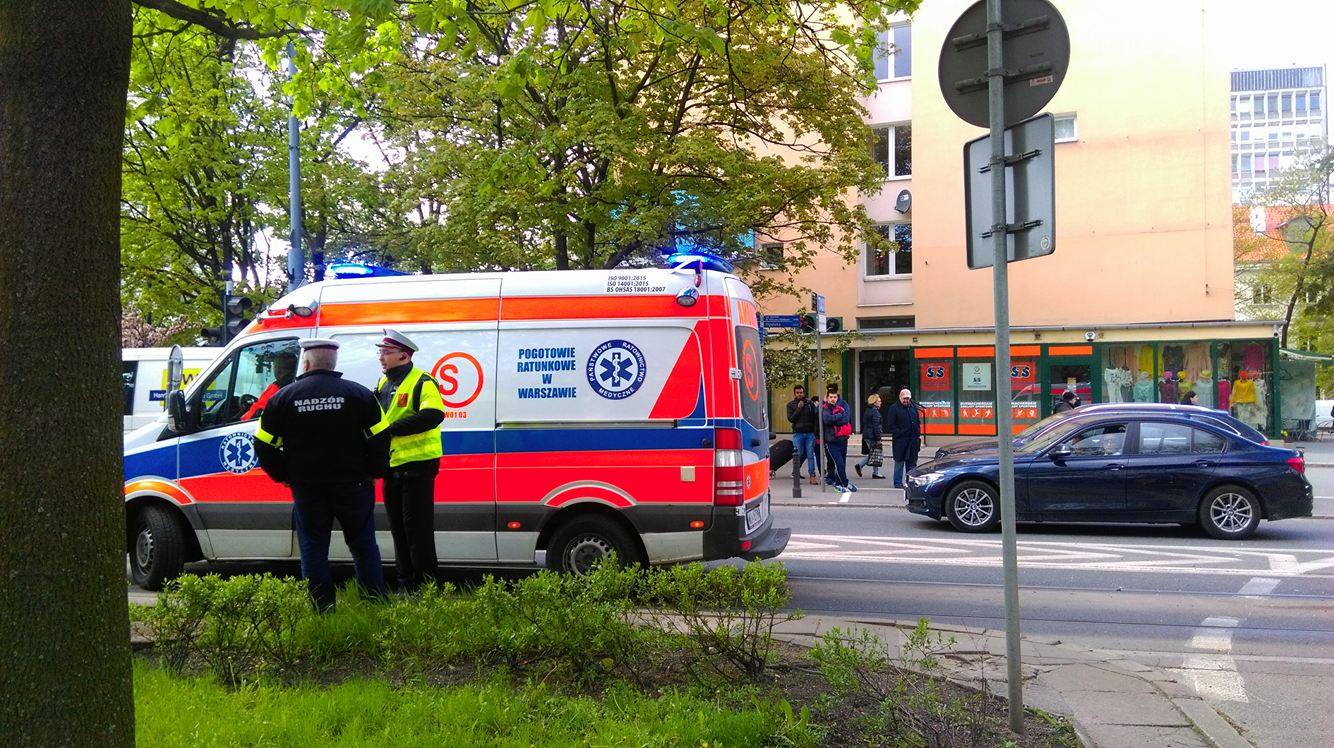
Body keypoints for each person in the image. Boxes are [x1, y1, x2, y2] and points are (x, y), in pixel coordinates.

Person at [254, 338, 389, 612]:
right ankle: (374, 606)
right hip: (354, 484)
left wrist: (283, 474)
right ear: (333, 363)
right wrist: (374, 471)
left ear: (305, 363)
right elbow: (381, 437)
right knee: (363, 546)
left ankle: (322, 609)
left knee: (313, 549)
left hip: (307, 487)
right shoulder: (359, 394)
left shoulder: (282, 398)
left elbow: (263, 444)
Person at [374, 328, 445, 591]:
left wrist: (391, 430)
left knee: (418, 532)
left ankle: (426, 588)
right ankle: (406, 586)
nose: (381, 357)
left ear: (403, 355)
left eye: (386, 352)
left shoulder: (422, 382)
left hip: (418, 467)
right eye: (380, 352)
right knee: (398, 530)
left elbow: (433, 415)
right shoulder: (383, 383)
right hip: (392, 466)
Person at [241, 351, 298, 421]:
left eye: (274, 366)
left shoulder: (276, 389)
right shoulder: (296, 385)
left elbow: (250, 417)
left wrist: (242, 417)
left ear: (278, 370)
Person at [821, 384, 855, 493]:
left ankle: (840, 483)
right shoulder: (825, 408)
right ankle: (845, 483)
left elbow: (846, 419)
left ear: (837, 397)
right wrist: (838, 416)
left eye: (835, 397)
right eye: (831, 397)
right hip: (831, 441)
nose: (833, 399)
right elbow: (827, 420)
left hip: (842, 439)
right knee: (838, 463)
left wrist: (835, 419)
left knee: (842, 463)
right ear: (827, 397)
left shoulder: (841, 406)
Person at [886, 388, 922, 489]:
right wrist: (900, 432)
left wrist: (917, 433)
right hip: (901, 440)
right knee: (899, 462)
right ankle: (897, 483)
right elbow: (891, 425)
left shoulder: (913, 407)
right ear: (900, 398)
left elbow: (917, 421)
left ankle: (910, 482)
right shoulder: (894, 408)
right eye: (904, 398)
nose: (906, 400)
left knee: (912, 462)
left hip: (913, 440)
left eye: (908, 398)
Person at [786, 385, 819, 484]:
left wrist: (815, 432)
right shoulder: (790, 405)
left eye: (801, 392)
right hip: (798, 433)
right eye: (797, 393)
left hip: (810, 433)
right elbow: (791, 419)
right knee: (798, 454)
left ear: (803, 393)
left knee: (810, 455)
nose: (799, 394)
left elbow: (815, 418)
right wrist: (798, 408)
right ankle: (796, 474)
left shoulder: (809, 403)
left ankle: (812, 475)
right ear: (794, 394)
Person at [855, 393, 885, 479]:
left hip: (867, 434)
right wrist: (878, 438)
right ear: (874, 402)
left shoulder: (868, 410)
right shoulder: (875, 412)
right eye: (879, 401)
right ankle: (860, 465)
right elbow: (876, 426)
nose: (881, 402)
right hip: (872, 436)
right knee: (874, 453)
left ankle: (875, 472)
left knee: (874, 453)